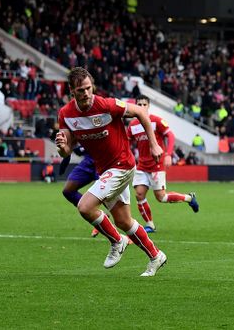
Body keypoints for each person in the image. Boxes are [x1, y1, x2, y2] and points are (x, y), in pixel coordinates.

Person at [55, 67, 167, 277]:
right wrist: (62, 147)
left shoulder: (107, 104)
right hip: (105, 169)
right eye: (81, 90)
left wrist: (153, 144)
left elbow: (141, 112)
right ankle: (156, 256)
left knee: (85, 206)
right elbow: (66, 151)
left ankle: (117, 241)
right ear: (72, 91)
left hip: (122, 165)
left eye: (89, 88)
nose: (86, 93)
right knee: (124, 221)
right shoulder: (66, 115)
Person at [127, 94, 199, 233]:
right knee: (139, 195)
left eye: (144, 104)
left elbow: (170, 135)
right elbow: (127, 142)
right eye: (139, 105)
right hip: (142, 165)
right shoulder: (133, 125)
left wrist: (168, 154)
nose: (141, 107)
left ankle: (189, 198)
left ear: (148, 106)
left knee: (161, 197)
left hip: (156, 164)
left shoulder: (156, 121)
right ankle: (150, 225)